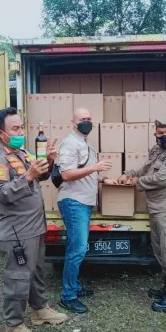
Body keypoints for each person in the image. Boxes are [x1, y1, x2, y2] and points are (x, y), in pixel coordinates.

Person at [0, 107, 69, 332]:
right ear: (2, 134)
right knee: (18, 277)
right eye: (15, 129)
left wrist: (49, 160)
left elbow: (40, 175)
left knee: (36, 271)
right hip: (17, 232)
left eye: (22, 127)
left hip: (35, 226)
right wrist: (27, 176)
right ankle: (13, 327)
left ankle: (39, 309)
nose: (21, 131)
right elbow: (2, 194)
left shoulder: (22, 153)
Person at [118, 118, 166, 312]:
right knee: (160, 251)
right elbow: (145, 169)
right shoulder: (157, 151)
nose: (164, 135)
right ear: (155, 134)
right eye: (160, 132)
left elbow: (162, 178)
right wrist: (129, 172)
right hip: (157, 208)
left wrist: (136, 182)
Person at [57, 107, 116, 314]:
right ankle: (68, 296)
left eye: (90, 119)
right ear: (73, 122)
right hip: (74, 202)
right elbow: (66, 174)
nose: (87, 122)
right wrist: (96, 168)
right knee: (77, 249)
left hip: (84, 202)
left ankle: (74, 287)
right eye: (83, 119)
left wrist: (103, 179)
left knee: (78, 248)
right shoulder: (70, 143)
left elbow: (86, 172)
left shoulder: (86, 144)